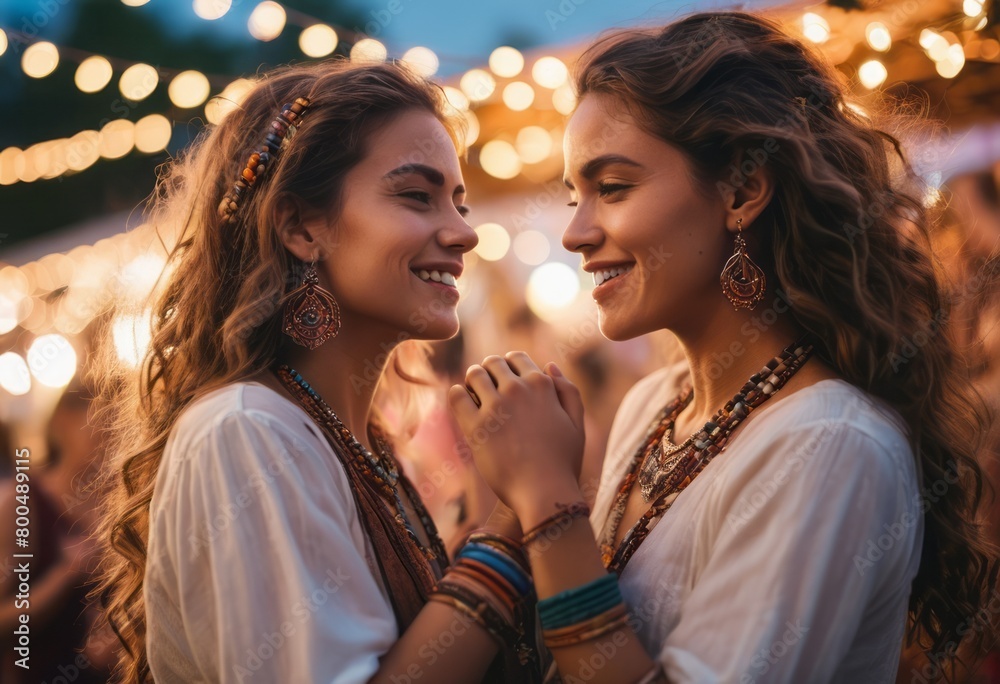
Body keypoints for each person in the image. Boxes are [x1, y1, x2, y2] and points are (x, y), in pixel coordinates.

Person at [448, 12, 999, 683]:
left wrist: (546, 501)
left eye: (613, 188)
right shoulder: (654, 407)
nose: (577, 233)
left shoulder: (828, 441)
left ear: (742, 190)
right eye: (575, 196)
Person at [92, 61, 542, 684]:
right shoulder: (246, 430)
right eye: (417, 195)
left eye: (460, 204)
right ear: (301, 226)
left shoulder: (347, 438)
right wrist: (524, 509)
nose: (464, 232)